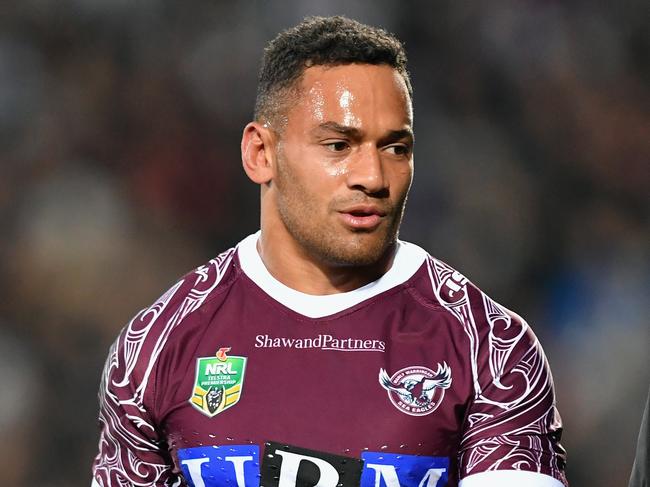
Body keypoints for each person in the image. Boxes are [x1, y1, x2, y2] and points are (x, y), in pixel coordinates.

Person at [91, 16, 568, 487]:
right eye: (339, 144)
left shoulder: (491, 349)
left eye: (396, 149)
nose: (374, 177)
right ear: (260, 153)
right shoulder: (156, 346)